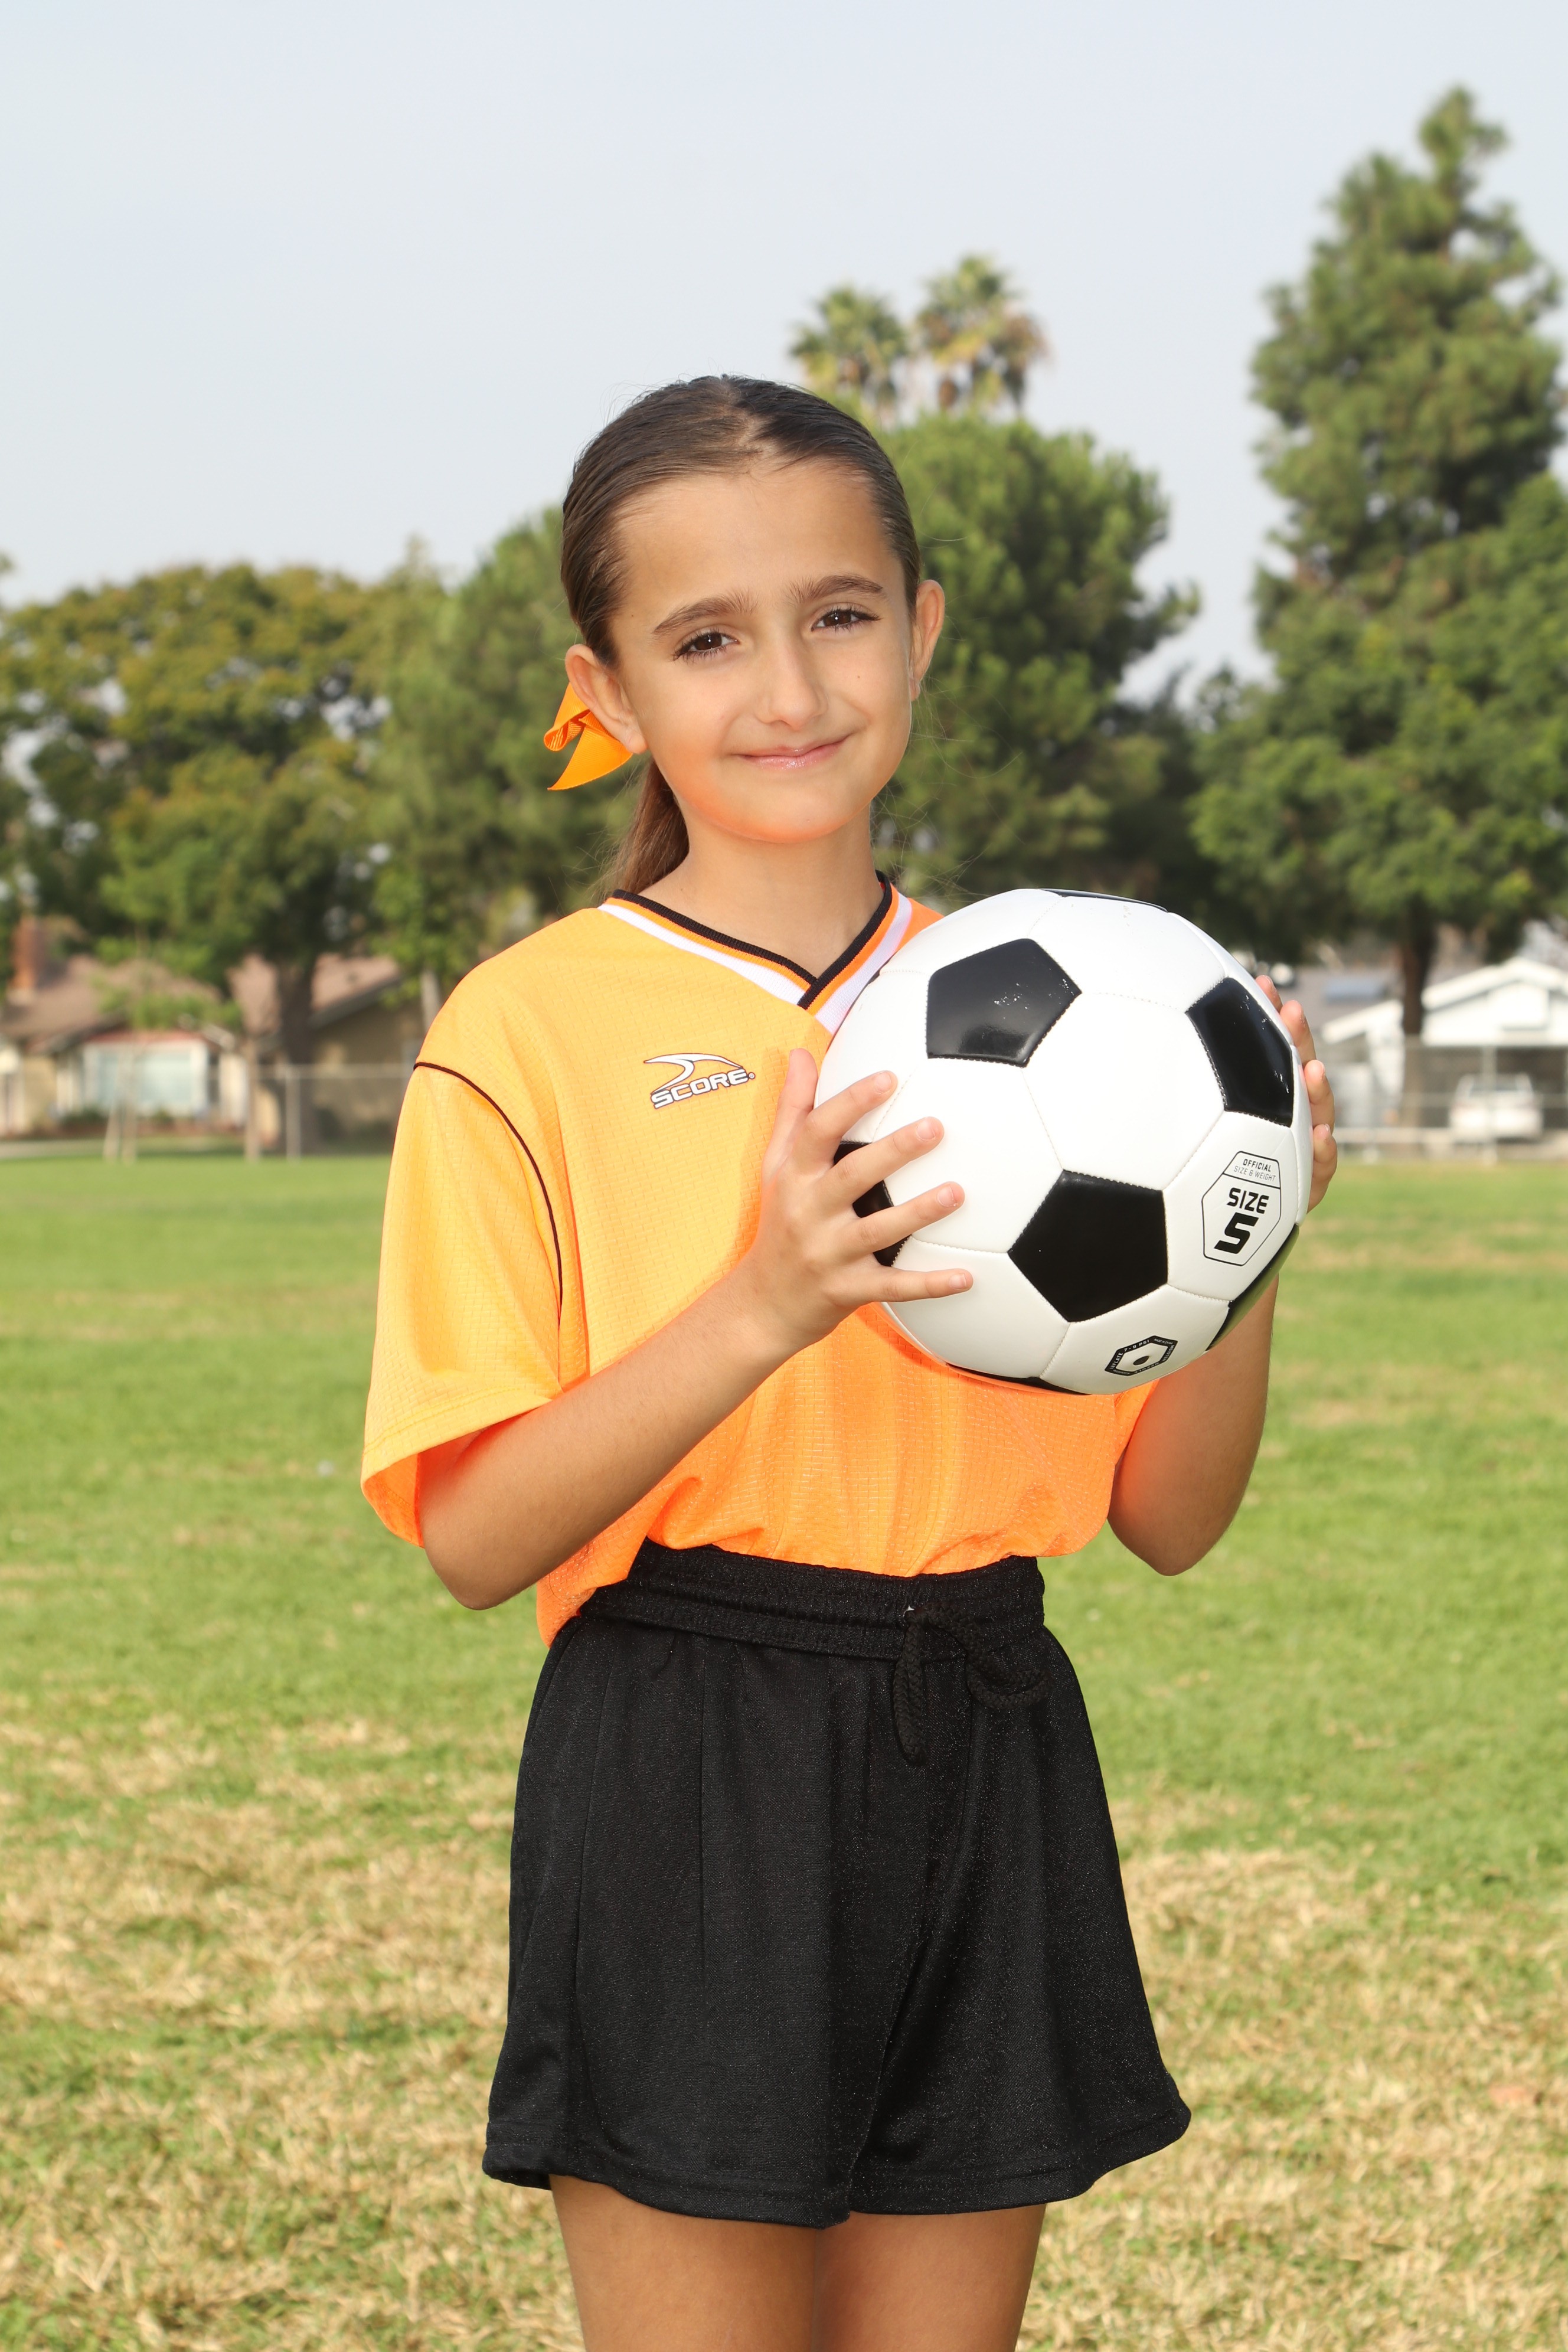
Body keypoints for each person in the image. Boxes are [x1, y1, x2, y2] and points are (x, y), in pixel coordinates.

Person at [361, 375, 1338, 2352]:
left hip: (990, 1725)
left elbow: (1171, 1521)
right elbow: (474, 1539)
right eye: (706, 639)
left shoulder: (1097, 1003)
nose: (790, 686)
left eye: (839, 613)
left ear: (924, 629)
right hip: (687, 1752)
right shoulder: (524, 1031)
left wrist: (1251, 1234)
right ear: (607, 690)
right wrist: (767, 1299)